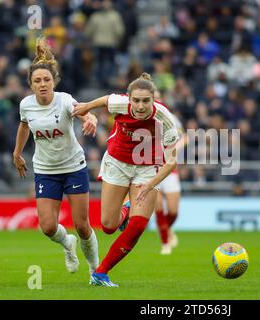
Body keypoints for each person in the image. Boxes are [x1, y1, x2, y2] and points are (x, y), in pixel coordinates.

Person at [72, 73, 180, 287]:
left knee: (138, 225)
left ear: (154, 100)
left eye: (146, 101)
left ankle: (101, 273)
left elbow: (171, 162)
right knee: (109, 226)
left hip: (148, 168)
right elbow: (105, 100)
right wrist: (86, 108)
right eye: (136, 100)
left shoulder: (164, 118)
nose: (140, 106)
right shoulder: (120, 104)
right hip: (117, 163)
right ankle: (126, 209)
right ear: (129, 98)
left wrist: (149, 186)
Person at [12, 37, 100, 276]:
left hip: (73, 166)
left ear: (54, 81)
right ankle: (67, 245)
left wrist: (91, 119)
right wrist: (17, 153)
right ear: (31, 85)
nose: (42, 84)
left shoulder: (64, 100)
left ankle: (95, 270)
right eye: (37, 81)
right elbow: (23, 127)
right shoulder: (26, 105)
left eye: (46, 80)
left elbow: (82, 112)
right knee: (48, 227)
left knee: (82, 226)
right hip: (45, 169)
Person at [153, 91, 186, 255]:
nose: (156, 99)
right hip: (152, 169)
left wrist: (174, 149)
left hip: (170, 169)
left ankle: (168, 229)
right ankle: (165, 242)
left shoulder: (171, 117)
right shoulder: (142, 119)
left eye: (158, 97)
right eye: (154, 97)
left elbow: (184, 137)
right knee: (158, 206)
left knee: (173, 211)